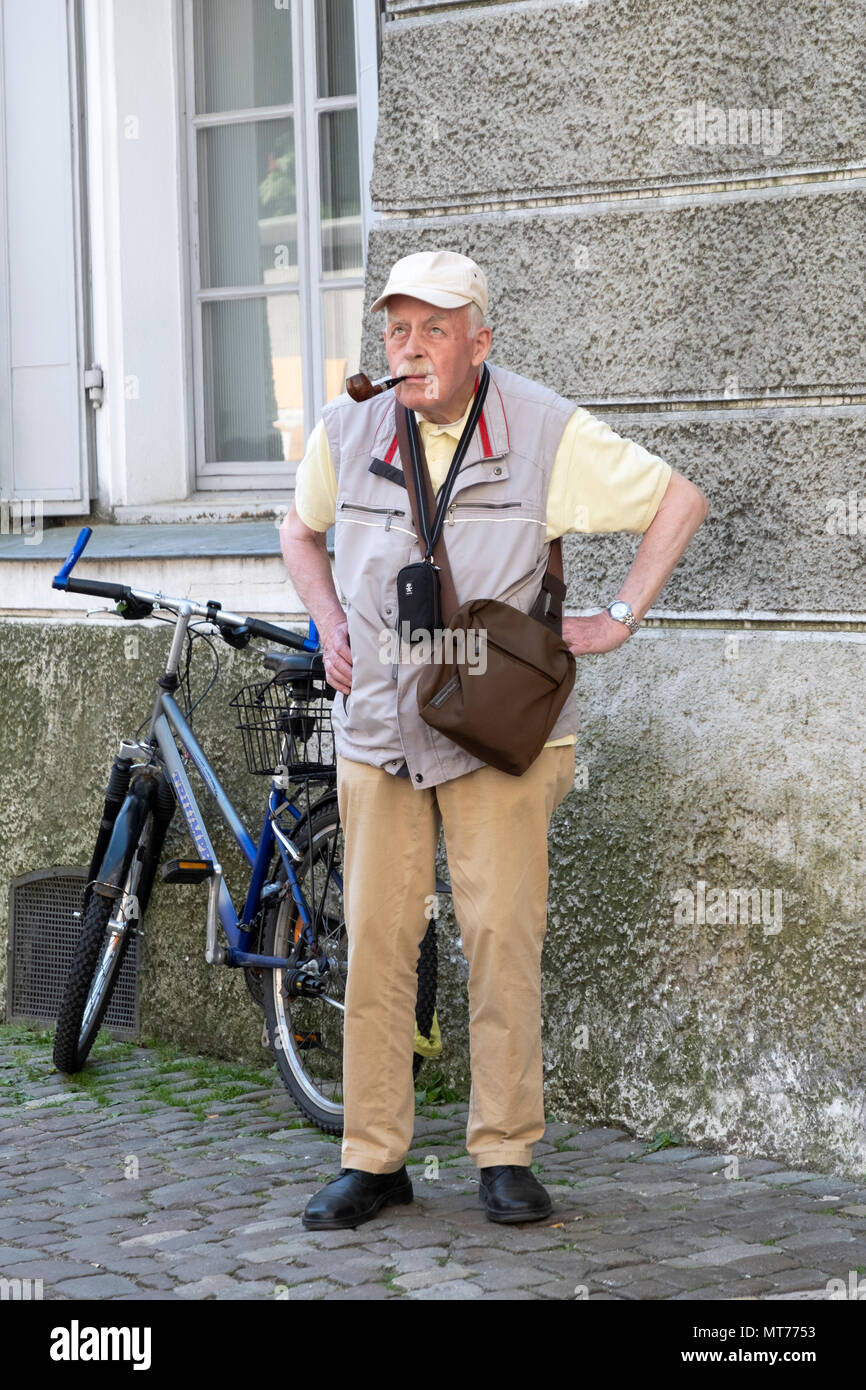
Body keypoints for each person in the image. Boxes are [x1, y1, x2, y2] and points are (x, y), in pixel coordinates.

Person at [279, 250, 708, 1230]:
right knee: (377, 943)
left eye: (436, 329)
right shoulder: (347, 428)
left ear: (480, 340)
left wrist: (615, 613)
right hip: (380, 725)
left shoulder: (543, 427)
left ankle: (503, 1152)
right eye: (397, 328)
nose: (413, 347)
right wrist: (327, 623)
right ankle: (372, 1157)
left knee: (499, 935)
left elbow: (676, 501)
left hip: (497, 727)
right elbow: (297, 534)